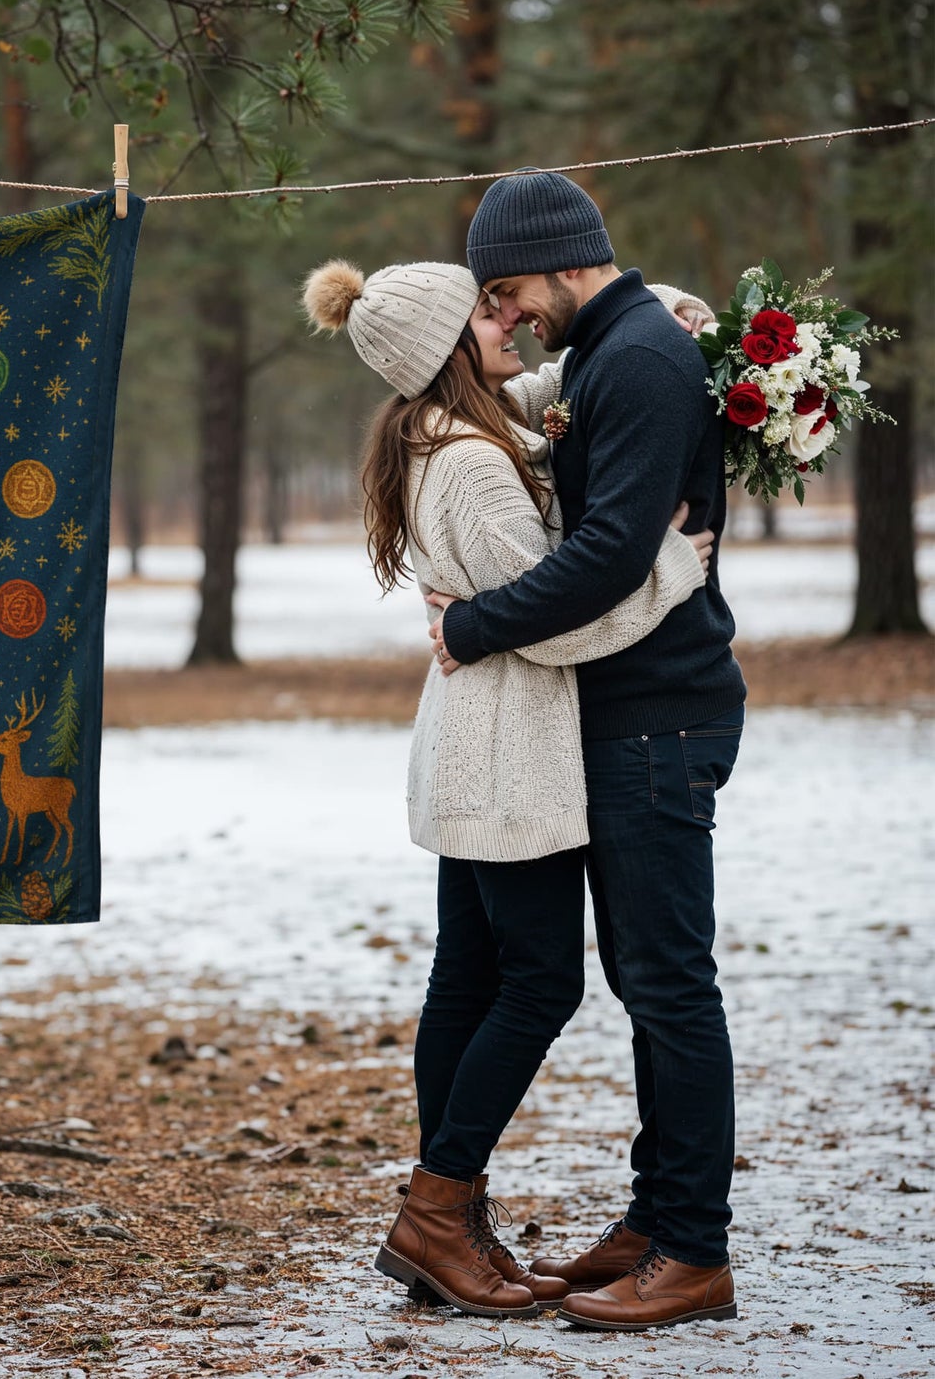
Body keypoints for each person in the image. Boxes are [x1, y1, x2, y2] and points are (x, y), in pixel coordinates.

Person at [302, 255, 715, 1319]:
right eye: (485, 314)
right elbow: (558, 619)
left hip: (469, 738)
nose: (508, 320)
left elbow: (547, 389)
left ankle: (448, 1215)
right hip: (506, 750)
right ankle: (436, 1211)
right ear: (446, 347)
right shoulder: (474, 467)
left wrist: (659, 314)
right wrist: (675, 565)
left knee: (466, 976)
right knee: (538, 984)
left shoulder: (442, 427)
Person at [424, 169, 747, 1333]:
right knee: (643, 980)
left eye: (509, 292)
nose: (506, 315)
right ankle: (654, 1216)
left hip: (657, 711)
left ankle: (692, 1247)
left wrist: (472, 624)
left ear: (562, 260)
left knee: (666, 980)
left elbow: (611, 552)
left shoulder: (640, 357)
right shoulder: (610, 350)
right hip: (619, 708)